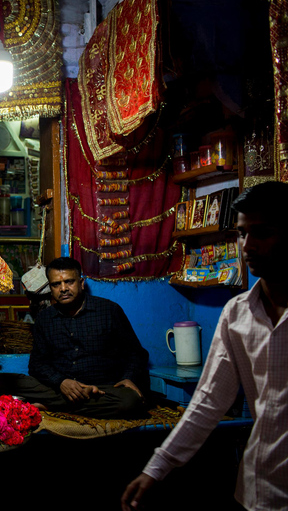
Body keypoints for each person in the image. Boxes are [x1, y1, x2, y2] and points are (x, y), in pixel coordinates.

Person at [122, 182, 288, 511]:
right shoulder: (237, 314)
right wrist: (156, 469)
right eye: (242, 234)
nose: (247, 246)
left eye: (263, 233)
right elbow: (208, 402)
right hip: (259, 491)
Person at [8, 256, 149, 418]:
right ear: (51, 288)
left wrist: (128, 378)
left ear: (81, 283)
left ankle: (54, 405)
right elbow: (37, 364)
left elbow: (136, 352)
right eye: (56, 284)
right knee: (6, 382)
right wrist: (61, 382)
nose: (63, 288)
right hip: (61, 389)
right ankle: (67, 402)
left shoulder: (109, 311)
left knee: (130, 401)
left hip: (103, 390)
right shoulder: (45, 318)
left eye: (69, 282)